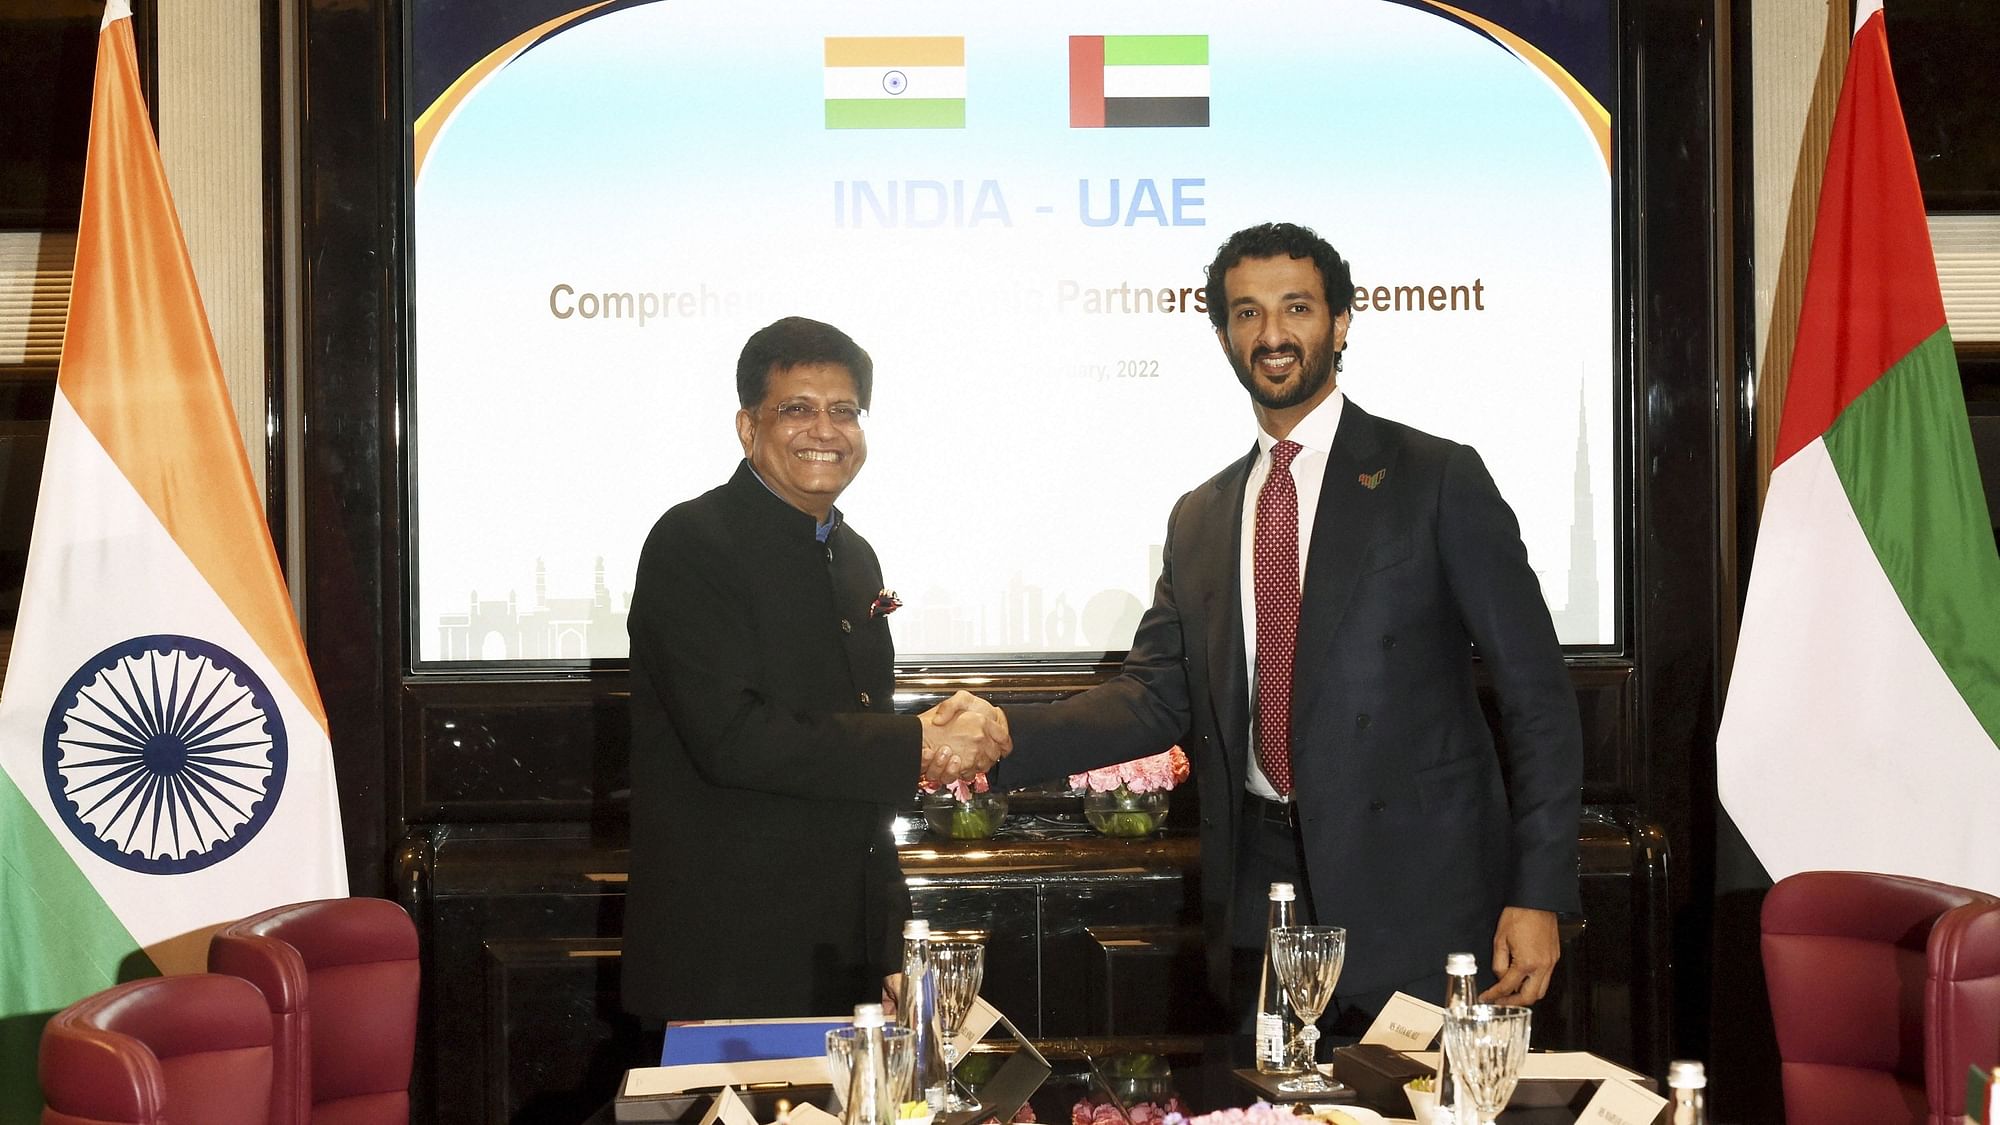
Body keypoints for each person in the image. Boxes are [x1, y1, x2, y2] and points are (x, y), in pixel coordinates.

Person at [966, 222, 1583, 1030]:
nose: (1273, 334)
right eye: (1247, 313)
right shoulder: (1202, 515)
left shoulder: (1435, 478)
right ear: (1223, 333)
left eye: (1296, 307)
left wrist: (1537, 892)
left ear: (1342, 322)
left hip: (1422, 902)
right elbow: (1152, 697)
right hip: (1263, 900)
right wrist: (1002, 735)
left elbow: (1538, 696)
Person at [622, 316, 1008, 1025]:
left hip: (843, 962)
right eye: (796, 409)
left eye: (845, 411)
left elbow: (865, 795)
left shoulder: (854, 555)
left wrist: (890, 941)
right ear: (748, 427)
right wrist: (913, 743)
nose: (824, 430)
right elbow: (731, 736)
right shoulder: (691, 542)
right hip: (727, 964)